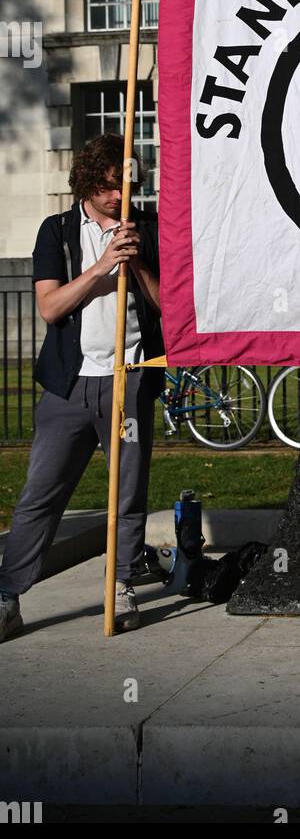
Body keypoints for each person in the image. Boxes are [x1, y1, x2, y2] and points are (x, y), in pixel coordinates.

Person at [0, 134, 163, 641]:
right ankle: (8, 595)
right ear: (86, 185)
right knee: (40, 495)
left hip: (128, 380)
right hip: (69, 387)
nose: (119, 196)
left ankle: (123, 584)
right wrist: (101, 267)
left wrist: (135, 263)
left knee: (128, 493)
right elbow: (50, 308)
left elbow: (169, 309)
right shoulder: (57, 231)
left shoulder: (150, 229)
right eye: (108, 187)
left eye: (126, 186)